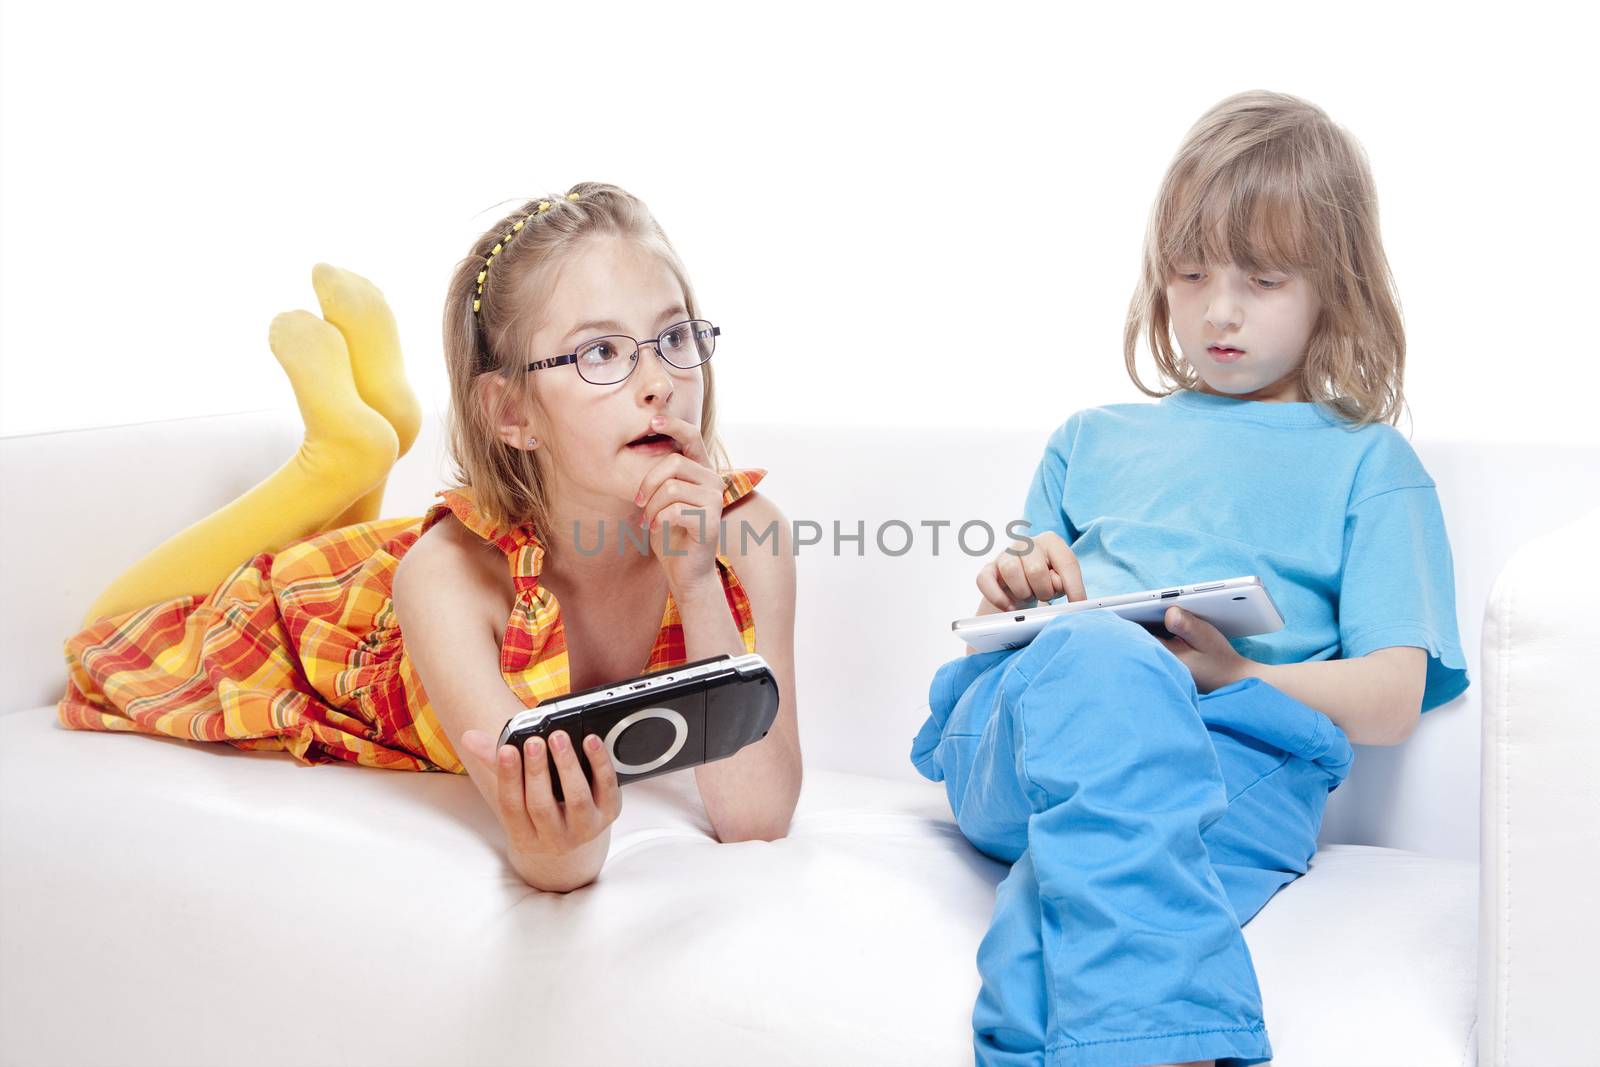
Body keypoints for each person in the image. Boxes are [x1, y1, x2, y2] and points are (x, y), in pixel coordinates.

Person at [909, 91, 1470, 1067]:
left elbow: (1390, 696)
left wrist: (1228, 676)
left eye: (1261, 278)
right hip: (1023, 735)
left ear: (1332, 290)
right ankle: (1173, 1045)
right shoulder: (1089, 438)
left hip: (1231, 760)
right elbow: (1022, 604)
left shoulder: (1367, 464)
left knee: (1091, 879)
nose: (1218, 309)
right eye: (1190, 272)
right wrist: (1024, 587)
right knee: (1094, 652)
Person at [59, 182, 802, 893]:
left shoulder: (748, 535)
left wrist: (697, 582)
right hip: (321, 624)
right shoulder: (445, 580)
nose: (659, 383)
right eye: (600, 353)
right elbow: (559, 856)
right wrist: (559, 845)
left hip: (416, 573)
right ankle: (337, 462)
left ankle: (365, 446)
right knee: (110, 635)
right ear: (511, 412)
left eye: (675, 336)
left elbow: (757, 816)